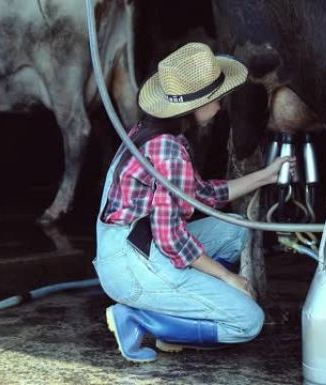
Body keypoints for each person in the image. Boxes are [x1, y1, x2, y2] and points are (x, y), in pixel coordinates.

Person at [93, 42, 295, 362]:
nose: (219, 107)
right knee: (247, 321)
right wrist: (227, 277)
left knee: (235, 230)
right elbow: (172, 238)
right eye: (215, 100)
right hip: (134, 265)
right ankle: (138, 320)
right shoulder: (167, 150)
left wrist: (266, 175)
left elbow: (202, 194)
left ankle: (186, 306)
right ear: (194, 106)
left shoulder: (151, 132)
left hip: (133, 248)